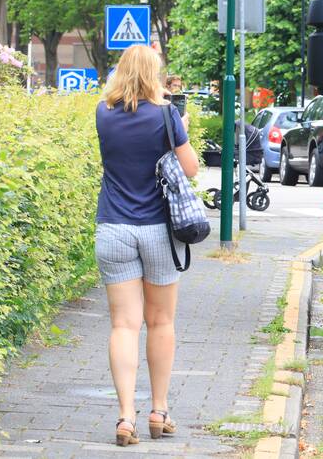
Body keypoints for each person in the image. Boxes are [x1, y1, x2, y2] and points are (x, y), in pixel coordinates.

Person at [95, 44, 200, 446]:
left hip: (113, 228)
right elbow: (189, 168)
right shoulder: (166, 115)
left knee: (123, 324)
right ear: (153, 75)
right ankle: (159, 411)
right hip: (158, 229)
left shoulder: (103, 113)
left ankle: (125, 418)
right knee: (161, 322)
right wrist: (180, 125)